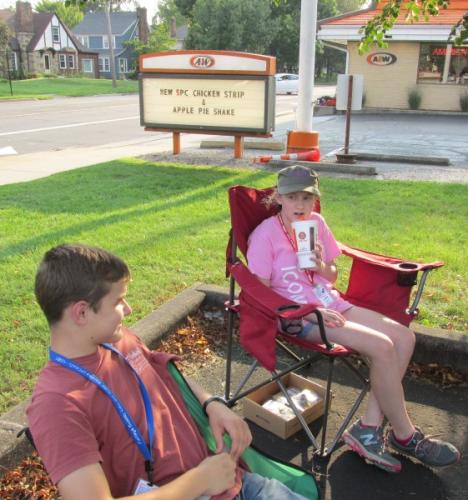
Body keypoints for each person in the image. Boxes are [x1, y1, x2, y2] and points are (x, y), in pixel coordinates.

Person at [27, 244, 307, 500]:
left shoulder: (116, 339)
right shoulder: (57, 404)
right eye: (118, 302)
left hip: (236, 482)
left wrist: (211, 404)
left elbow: (163, 373)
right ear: (81, 313)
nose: (129, 308)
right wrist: (200, 480)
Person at [246, 165, 461, 473]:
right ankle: (405, 435)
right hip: (297, 316)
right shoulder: (265, 235)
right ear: (278, 197)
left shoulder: (315, 223)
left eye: (307, 197)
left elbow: (333, 274)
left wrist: (320, 266)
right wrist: (310, 311)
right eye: (292, 197)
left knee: (404, 337)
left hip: (330, 301)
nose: (300, 204)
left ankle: (369, 427)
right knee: (383, 346)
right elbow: (260, 294)